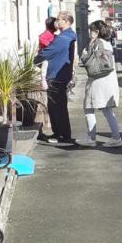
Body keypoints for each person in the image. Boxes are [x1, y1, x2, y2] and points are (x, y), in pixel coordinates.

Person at [35, 11, 78, 144]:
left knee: (57, 106)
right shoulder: (68, 35)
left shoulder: (63, 38)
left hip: (56, 76)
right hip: (60, 74)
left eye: (59, 20)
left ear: (66, 22)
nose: (56, 22)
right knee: (56, 106)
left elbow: (48, 52)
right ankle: (59, 133)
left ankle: (62, 134)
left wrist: (36, 59)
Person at [79, 20, 122, 147]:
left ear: (96, 32)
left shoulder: (96, 44)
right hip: (108, 80)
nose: (89, 32)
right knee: (107, 110)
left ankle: (92, 138)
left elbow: (85, 59)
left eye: (90, 30)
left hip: (97, 81)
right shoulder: (107, 44)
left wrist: (88, 47)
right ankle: (116, 137)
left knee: (88, 108)